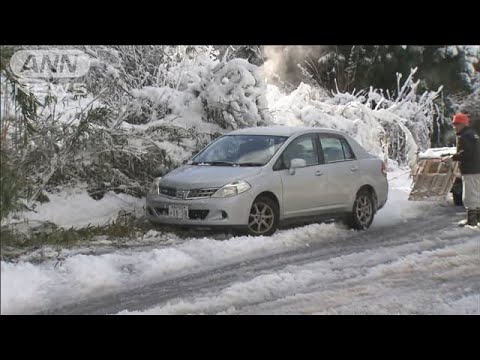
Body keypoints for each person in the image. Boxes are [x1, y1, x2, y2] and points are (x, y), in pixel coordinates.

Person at [442, 113, 480, 228]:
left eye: (456, 124)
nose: (454, 127)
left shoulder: (464, 136)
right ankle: (477, 219)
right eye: (454, 124)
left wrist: (452, 158)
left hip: (470, 169)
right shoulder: (473, 134)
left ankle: (471, 221)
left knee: (469, 195)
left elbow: (466, 153)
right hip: (477, 168)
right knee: (477, 193)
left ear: (463, 124)